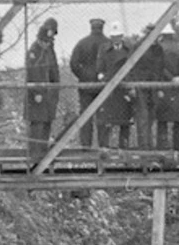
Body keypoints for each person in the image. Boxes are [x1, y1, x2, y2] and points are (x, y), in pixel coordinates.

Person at [69, 17, 108, 147]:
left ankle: (86, 145)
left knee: (86, 116)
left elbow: (73, 64)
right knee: (103, 116)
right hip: (103, 85)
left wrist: (82, 75)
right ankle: (103, 145)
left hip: (85, 85)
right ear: (102, 27)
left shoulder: (82, 43)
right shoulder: (108, 43)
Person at [25, 17, 60, 160]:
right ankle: (34, 154)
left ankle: (43, 154)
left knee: (46, 123)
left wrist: (55, 88)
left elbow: (54, 71)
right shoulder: (34, 50)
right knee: (37, 124)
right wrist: (36, 92)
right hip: (37, 94)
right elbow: (32, 73)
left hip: (49, 93)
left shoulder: (50, 50)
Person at [96, 23, 133, 148]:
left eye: (118, 36)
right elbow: (100, 66)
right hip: (110, 89)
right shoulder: (104, 49)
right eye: (113, 36)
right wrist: (101, 76)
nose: (116, 38)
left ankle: (124, 148)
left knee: (125, 122)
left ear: (121, 36)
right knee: (107, 120)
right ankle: (105, 148)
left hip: (124, 89)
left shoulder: (129, 49)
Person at [132, 24, 166, 149]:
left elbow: (161, 68)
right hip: (141, 85)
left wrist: (160, 87)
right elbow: (131, 67)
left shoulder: (159, 49)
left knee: (151, 117)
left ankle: (149, 146)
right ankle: (144, 147)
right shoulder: (138, 46)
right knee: (143, 117)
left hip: (154, 86)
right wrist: (133, 86)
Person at [156, 24, 179, 150]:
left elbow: (159, 68)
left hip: (164, 88)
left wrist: (170, 78)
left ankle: (162, 148)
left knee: (162, 121)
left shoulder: (159, 49)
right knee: (178, 121)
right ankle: (178, 149)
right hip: (178, 89)